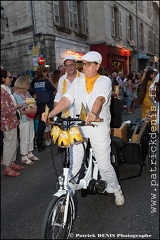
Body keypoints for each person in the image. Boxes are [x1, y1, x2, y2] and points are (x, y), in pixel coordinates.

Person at [42, 51, 125, 206]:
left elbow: (100, 99)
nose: (84, 67)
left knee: (104, 164)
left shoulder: (104, 81)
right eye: (83, 64)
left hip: (98, 127)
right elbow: (66, 98)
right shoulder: (78, 82)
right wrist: (51, 114)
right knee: (74, 162)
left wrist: (93, 113)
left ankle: (116, 189)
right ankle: (66, 198)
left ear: (97, 66)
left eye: (88, 64)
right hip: (79, 126)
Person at [1, 68, 24, 177]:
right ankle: (7, 166)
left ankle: (11, 162)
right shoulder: (2, 92)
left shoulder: (6, 90)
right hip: (7, 122)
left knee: (14, 143)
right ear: (3, 78)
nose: (11, 79)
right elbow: (4, 110)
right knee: (9, 144)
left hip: (12, 120)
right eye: (9, 77)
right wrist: (16, 107)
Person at [13, 76, 39, 164]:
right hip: (23, 118)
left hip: (30, 117)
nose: (29, 85)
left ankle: (30, 152)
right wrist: (28, 110)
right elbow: (16, 111)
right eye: (27, 84)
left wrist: (34, 107)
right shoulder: (16, 95)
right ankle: (24, 155)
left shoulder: (26, 93)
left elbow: (31, 102)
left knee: (31, 134)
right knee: (24, 136)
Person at [33, 65, 56, 152]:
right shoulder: (46, 82)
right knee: (55, 120)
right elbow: (54, 89)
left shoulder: (35, 82)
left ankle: (39, 142)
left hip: (40, 105)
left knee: (41, 125)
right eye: (46, 72)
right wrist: (50, 80)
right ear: (44, 73)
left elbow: (34, 92)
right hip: (49, 104)